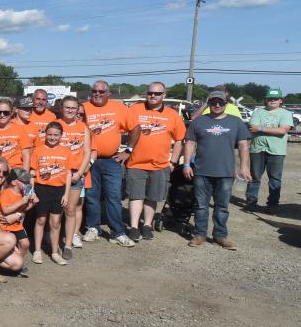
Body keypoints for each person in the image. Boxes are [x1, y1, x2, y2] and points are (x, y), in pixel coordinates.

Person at [183, 90, 251, 249]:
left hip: (226, 172)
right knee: (201, 205)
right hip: (201, 171)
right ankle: (199, 234)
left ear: (226, 103)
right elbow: (190, 143)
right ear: (209, 103)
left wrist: (244, 167)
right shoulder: (198, 122)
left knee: (222, 206)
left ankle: (220, 236)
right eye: (214, 102)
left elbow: (243, 145)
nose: (217, 105)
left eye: (220, 102)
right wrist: (186, 164)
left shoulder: (236, 122)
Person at [124, 82, 185, 242]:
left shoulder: (172, 115)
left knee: (152, 196)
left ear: (164, 95)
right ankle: (134, 226)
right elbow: (123, 129)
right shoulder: (134, 109)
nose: (153, 96)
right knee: (136, 195)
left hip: (160, 164)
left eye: (157, 94)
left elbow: (179, 140)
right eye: (150, 93)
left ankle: (147, 225)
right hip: (136, 163)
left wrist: (173, 162)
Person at [82, 80, 134, 247]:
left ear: (108, 94)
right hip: (89, 160)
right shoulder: (83, 107)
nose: (97, 94)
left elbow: (136, 128)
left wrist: (128, 151)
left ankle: (117, 232)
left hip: (112, 160)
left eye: (101, 91)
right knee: (92, 196)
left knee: (113, 197)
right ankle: (93, 228)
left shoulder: (119, 108)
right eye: (94, 91)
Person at [30, 122, 74, 265]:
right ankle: (37, 251)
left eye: (56, 135)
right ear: (45, 135)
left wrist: (66, 194)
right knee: (40, 220)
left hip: (59, 190)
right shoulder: (38, 150)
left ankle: (55, 252)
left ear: (61, 136)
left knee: (55, 223)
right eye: (49, 134)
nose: (52, 137)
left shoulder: (66, 151)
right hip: (41, 189)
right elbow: (31, 172)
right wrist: (32, 192)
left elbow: (68, 173)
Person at [55, 96, 91, 260]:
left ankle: (68, 244)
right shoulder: (56, 125)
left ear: (78, 110)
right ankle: (54, 243)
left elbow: (87, 153)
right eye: (67, 107)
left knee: (71, 210)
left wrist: (80, 173)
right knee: (56, 212)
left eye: (73, 108)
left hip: (76, 174)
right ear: (62, 108)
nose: (70, 110)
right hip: (58, 174)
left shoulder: (83, 127)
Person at [245, 89, 293, 213]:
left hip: (276, 151)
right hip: (257, 149)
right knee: (254, 177)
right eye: (269, 98)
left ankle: (272, 205)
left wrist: (260, 128)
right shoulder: (258, 112)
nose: (272, 101)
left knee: (275, 178)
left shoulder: (286, 113)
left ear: (280, 101)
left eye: (275, 99)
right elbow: (252, 128)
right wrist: (273, 129)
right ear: (266, 100)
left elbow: (283, 130)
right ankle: (251, 202)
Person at [0, 168, 37, 272]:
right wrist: (22, 201)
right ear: (14, 182)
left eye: (28, 181)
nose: (27, 183)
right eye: (24, 181)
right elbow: (5, 210)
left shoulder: (22, 193)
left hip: (17, 225)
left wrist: (33, 203)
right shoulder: (6, 193)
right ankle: (10, 262)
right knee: (11, 247)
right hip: (6, 226)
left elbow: (23, 209)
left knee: (25, 244)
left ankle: (19, 262)